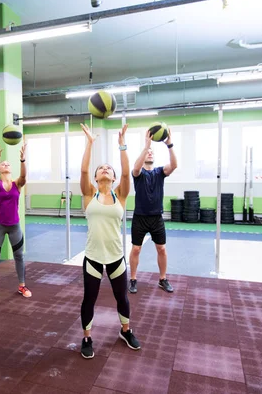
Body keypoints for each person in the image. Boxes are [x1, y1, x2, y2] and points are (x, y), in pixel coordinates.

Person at [79, 122, 140, 359]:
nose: (105, 169)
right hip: (93, 257)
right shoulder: (88, 194)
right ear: (95, 177)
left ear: (113, 178)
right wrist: (89, 144)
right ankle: (87, 337)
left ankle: (125, 330)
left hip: (116, 257)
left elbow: (127, 173)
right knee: (89, 299)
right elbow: (83, 172)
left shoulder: (120, 195)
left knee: (121, 297)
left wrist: (122, 145)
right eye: (100, 168)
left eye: (108, 168)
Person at [128, 129, 178, 294]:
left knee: (161, 249)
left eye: (151, 152)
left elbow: (174, 166)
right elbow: (135, 167)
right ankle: (133, 279)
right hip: (140, 218)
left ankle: (163, 279)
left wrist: (169, 144)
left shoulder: (159, 172)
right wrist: (146, 146)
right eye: (147, 152)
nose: (149, 153)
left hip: (157, 218)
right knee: (136, 249)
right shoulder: (138, 173)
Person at [0, 140, 31, 301]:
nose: (6, 164)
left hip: (14, 226)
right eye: (3, 164)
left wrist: (22, 160)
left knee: (19, 256)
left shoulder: (18, 184)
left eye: (8, 163)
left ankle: (22, 285)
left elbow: (24, 176)